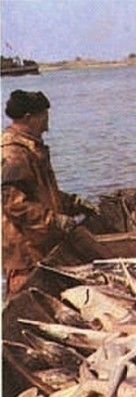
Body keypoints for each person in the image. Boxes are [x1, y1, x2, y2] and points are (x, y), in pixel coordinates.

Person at [2, 89, 99, 299]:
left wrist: (74, 203)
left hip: (40, 244)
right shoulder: (13, 153)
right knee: (26, 304)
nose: (47, 126)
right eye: (44, 117)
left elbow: (42, 192)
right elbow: (14, 205)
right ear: (28, 118)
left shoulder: (30, 147)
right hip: (25, 252)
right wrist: (56, 221)